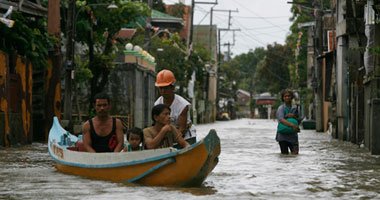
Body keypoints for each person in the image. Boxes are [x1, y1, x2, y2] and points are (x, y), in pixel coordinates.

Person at [154, 69, 196, 144]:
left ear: (173, 87)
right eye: (161, 88)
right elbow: (157, 126)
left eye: (166, 88)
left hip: (186, 137)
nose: (163, 91)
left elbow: (182, 129)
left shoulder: (182, 105)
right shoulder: (157, 104)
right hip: (167, 137)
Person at [275, 90, 301, 155]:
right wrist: (292, 125)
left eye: (289, 96)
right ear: (283, 98)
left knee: (295, 154)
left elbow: (299, 120)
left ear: (291, 97)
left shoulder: (295, 108)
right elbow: (281, 120)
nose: (287, 97)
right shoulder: (281, 108)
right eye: (285, 96)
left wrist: (293, 116)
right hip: (282, 136)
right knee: (284, 155)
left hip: (293, 136)